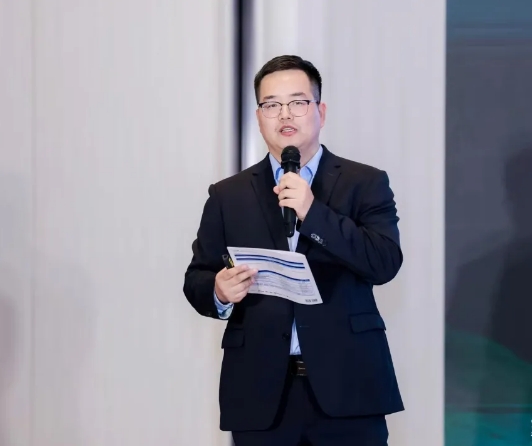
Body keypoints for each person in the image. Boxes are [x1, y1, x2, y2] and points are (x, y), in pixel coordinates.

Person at [183, 55, 404, 446]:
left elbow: (383, 262)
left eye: (298, 102)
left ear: (320, 111)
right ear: (259, 117)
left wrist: (313, 212)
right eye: (272, 104)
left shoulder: (364, 182)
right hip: (260, 394)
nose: (285, 114)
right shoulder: (228, 195)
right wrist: (218, 290)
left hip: (349, 388)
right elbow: (196, 278)